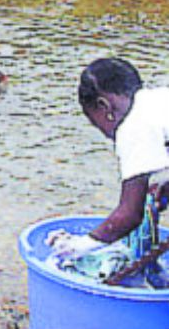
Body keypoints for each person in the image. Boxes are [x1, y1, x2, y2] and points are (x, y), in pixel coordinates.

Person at [48, 58, 169, 260]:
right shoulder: (157, 101)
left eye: (95, 122)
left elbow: (130, 215)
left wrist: (78, 247)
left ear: (104, 107)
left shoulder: (133, 127)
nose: (104, 133)